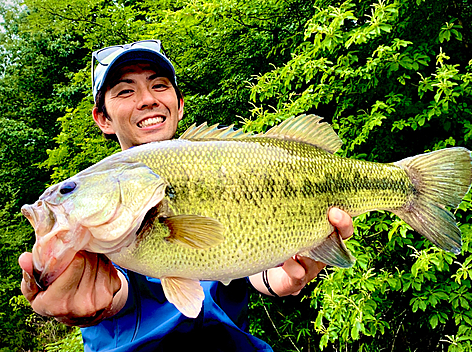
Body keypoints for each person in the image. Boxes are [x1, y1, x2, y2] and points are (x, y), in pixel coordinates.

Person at [19, 40, 354, 351]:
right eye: (124, 90)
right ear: (103, 118)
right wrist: (83, 295)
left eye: (159, 85)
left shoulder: (221, 165)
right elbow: (115, 286)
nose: (147, 98)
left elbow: (247, 260)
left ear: (178, 106)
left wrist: (283, 277)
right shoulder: (101, 233)